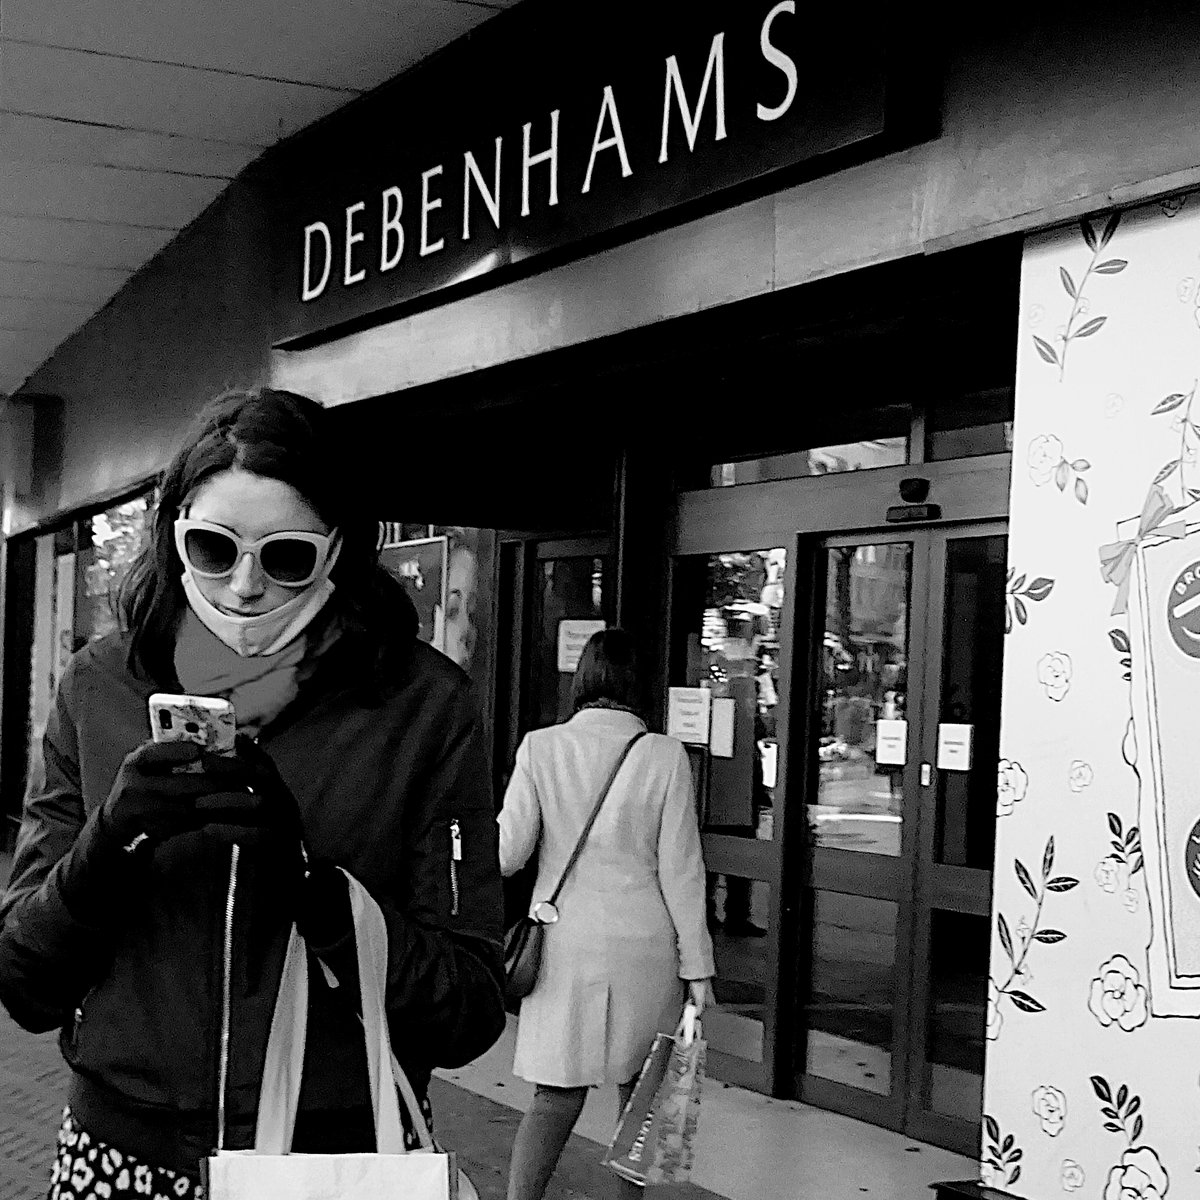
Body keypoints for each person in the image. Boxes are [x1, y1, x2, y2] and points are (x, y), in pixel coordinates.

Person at [0, 388, 506, 1198]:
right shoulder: (98, 687)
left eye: (285, 557)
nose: (243, 588)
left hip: (329, 1164)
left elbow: (470, 1007)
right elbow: (22, 980)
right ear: (174, 536)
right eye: (213, 547)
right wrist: (110, 842)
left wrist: (311, 887)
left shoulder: (424, 706)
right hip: (121, 1152)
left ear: (339, 549)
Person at [497, 628, 714, 1200]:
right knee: (640, 1099)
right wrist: (698, 968)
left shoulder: (541, 747)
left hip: (564, 943)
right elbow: (683, 871)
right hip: (647, 946)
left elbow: (509, 853)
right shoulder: (666, 755)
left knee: (555, 1095)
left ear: (584, 678)